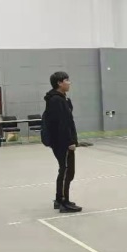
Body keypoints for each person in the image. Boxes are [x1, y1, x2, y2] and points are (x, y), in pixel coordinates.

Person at [44, 72, 81, 213]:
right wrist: (69, 141)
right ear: (59, 83)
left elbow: (68, 120)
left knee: (66, 171)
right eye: (67, 80)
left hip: (63, 141)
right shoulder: (56, 100)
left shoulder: (62, 99)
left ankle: (60, 199)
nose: (69, 82)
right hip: (63, 142)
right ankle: (63, 202)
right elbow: (62, 123)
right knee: (67, 171)